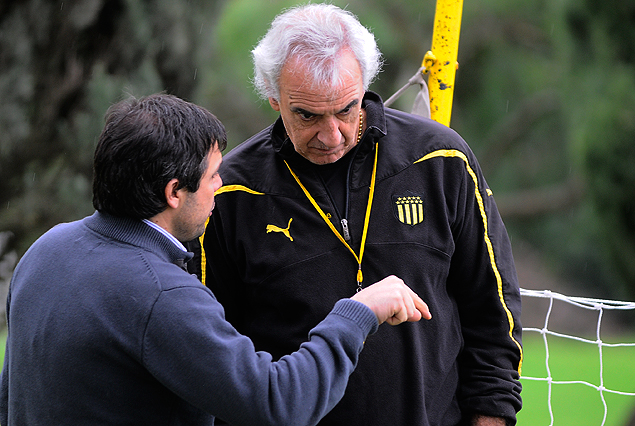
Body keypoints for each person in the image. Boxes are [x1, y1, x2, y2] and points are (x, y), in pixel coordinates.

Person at [0, 93, 431, 426]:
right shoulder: (161, 294)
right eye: (212, 176)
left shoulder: (47, 250)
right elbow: (278, 405)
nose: (221, 186)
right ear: (174, 193)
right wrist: (356, 314)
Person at [191, 4, 523, 426]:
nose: (331, 136)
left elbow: (494, 314)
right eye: (307, 115)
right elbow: (214, 356)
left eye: (346, 109)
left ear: (365, 85)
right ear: (274, 98)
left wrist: (491, 418)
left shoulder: (442, 158)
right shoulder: (231, 192)